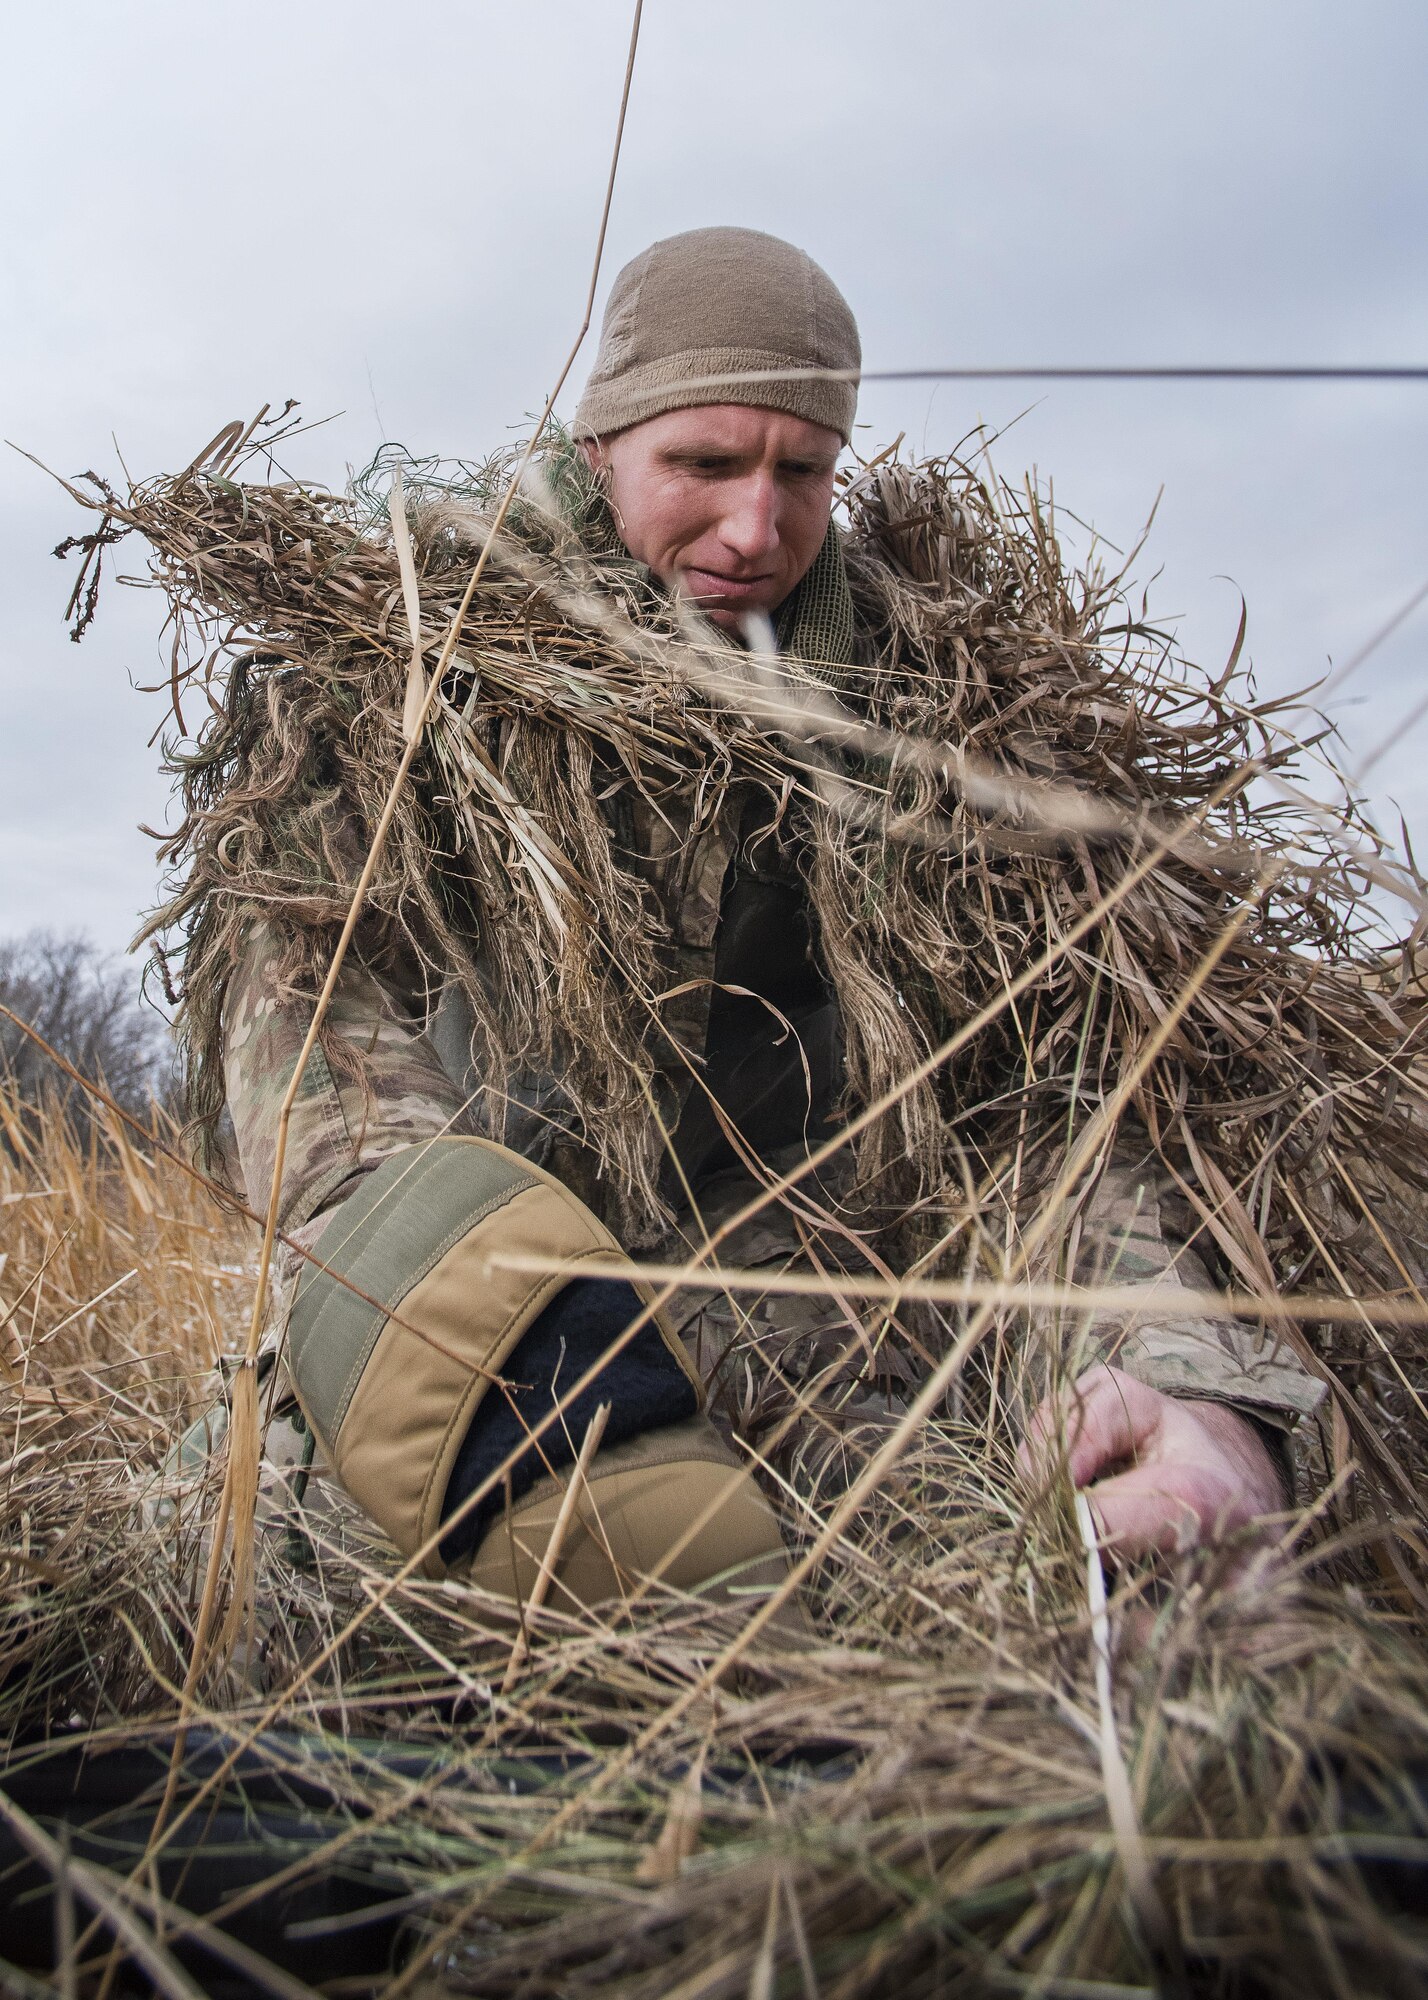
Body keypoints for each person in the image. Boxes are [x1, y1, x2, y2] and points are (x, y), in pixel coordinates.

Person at [209, 227, 1321, 1620]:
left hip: (806, 1317)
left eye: (802, 471)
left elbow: (1044, 1114)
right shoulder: (397, 667)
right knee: (329, 1601)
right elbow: (322, 1070)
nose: (756, 529)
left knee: (1011, 1602)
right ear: (602, 436)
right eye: (706, 465)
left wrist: (1179, 1386)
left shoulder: (935, 719)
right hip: (472, 1325)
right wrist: (534, 1369)